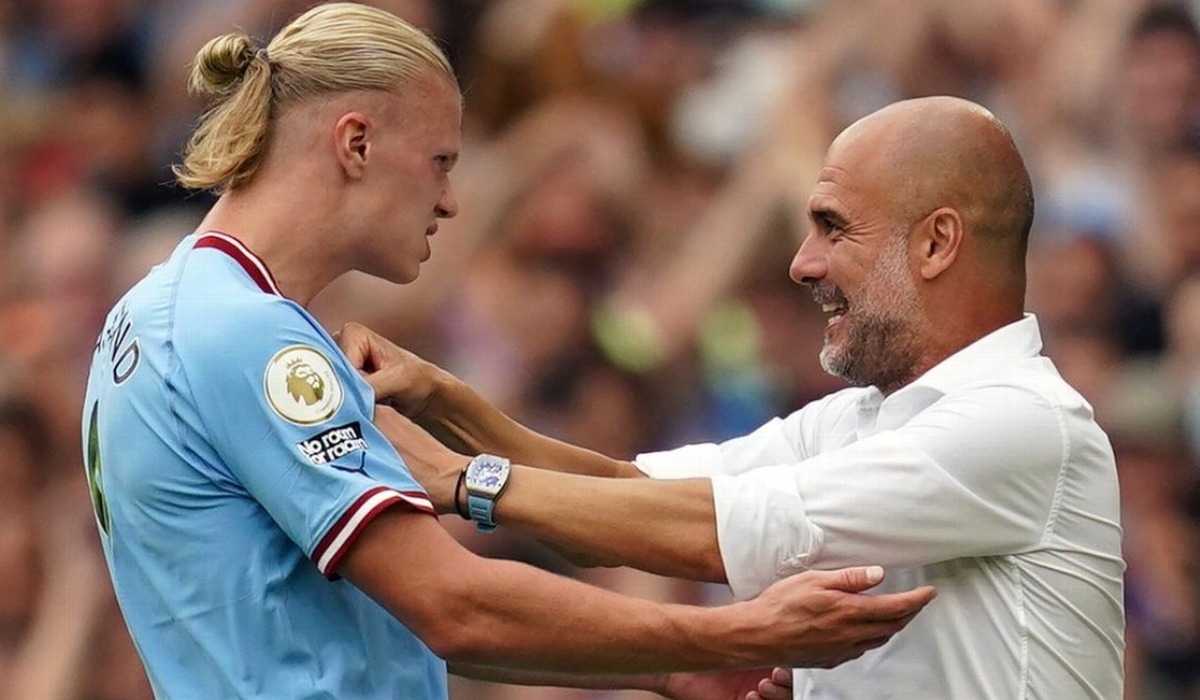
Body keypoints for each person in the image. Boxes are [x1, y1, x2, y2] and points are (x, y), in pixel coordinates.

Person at [79, 4, 938, 699]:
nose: (453, 201)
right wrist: (734, 630)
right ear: (355, 143)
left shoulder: (151, 312)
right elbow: (453, 606)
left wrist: (675, 666)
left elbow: (400, 625)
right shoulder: (249, 335)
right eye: (442, 160)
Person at [345, 95, 1126, 699]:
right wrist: (443, 398)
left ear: (936, 243)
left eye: (832, 228)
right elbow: (622, 500)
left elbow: (709, 533)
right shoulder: (859, 419)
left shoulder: (1020, 421)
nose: (802, 263)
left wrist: (462, 480)